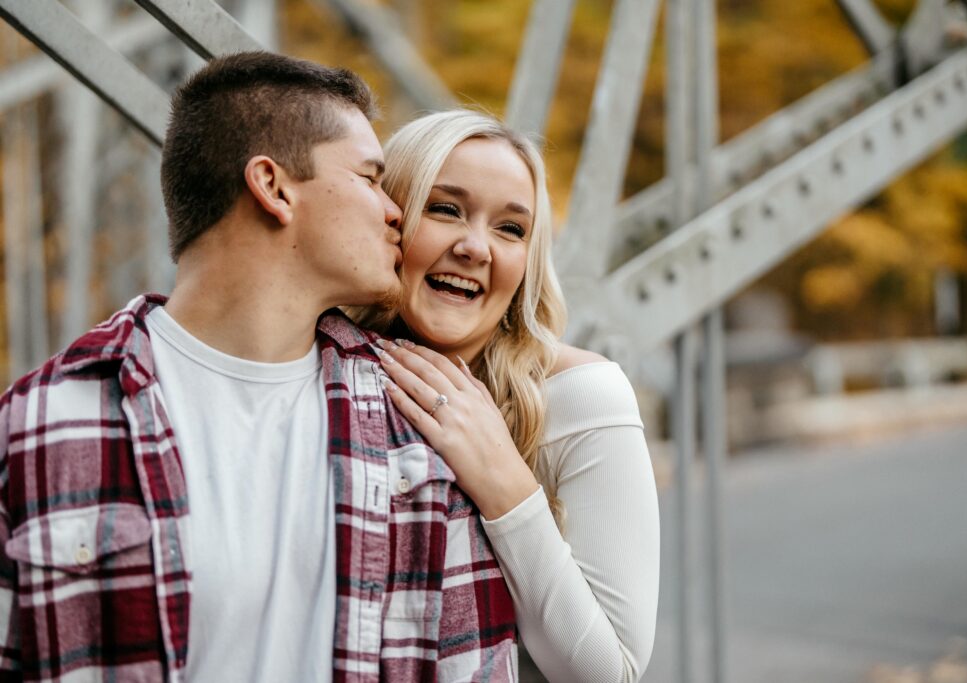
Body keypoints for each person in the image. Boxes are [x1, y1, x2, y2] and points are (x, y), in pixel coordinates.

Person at [0, 54, 517, 682]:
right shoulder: (40, 423)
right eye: (370, 178)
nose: (395, 212)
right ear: (273, 187)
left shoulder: (415, 429)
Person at [352, 110, 660, 683]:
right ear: (390, 217)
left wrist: (503, 481)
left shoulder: (582, 396)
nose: (476, 247)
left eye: (510, 228)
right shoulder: (327, 372)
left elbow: (609, 672)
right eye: (445, 209)